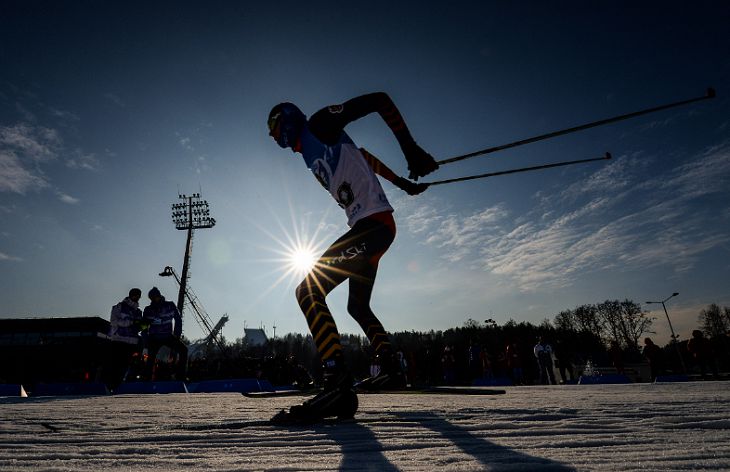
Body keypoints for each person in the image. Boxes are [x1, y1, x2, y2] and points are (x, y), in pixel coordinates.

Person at [266, 93, 437, 422]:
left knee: (307, 290)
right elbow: (364, 157)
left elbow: (381, 100)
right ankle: (390, 369)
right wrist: (401, 183)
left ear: (287, 119)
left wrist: (410, 150)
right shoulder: (312, 151)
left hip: (372, 228)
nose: (273, 137)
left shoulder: (318, 125)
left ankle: (337, 383)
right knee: (356, 306)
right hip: (374, 228)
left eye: (274, 127)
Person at [142, 287, 188, 381]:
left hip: (167, 336)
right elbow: (144, 327)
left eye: (156, 297)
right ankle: (146, 380)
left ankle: (180, 377)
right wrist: (145, 342)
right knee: (150, 357)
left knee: (184, 350)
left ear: (159, 295)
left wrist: (176, 335)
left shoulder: (170, 305)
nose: (155, 299)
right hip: (154, 337)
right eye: (152, 298)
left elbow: (178, 319)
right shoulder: (148, 309)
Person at [106, 288, 144, 389]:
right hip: (119, 339)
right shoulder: (119, 307)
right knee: (115, 364)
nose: (137, 297)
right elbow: (113, 321)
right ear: (131, 295)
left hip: (131, 341)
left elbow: (139, 327)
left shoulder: (138, 311)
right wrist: (130, 322)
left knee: (126, 364)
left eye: (138, 296)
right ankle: (110, 385)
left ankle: (120, 386)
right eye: (135, 295)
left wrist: (143, 326)